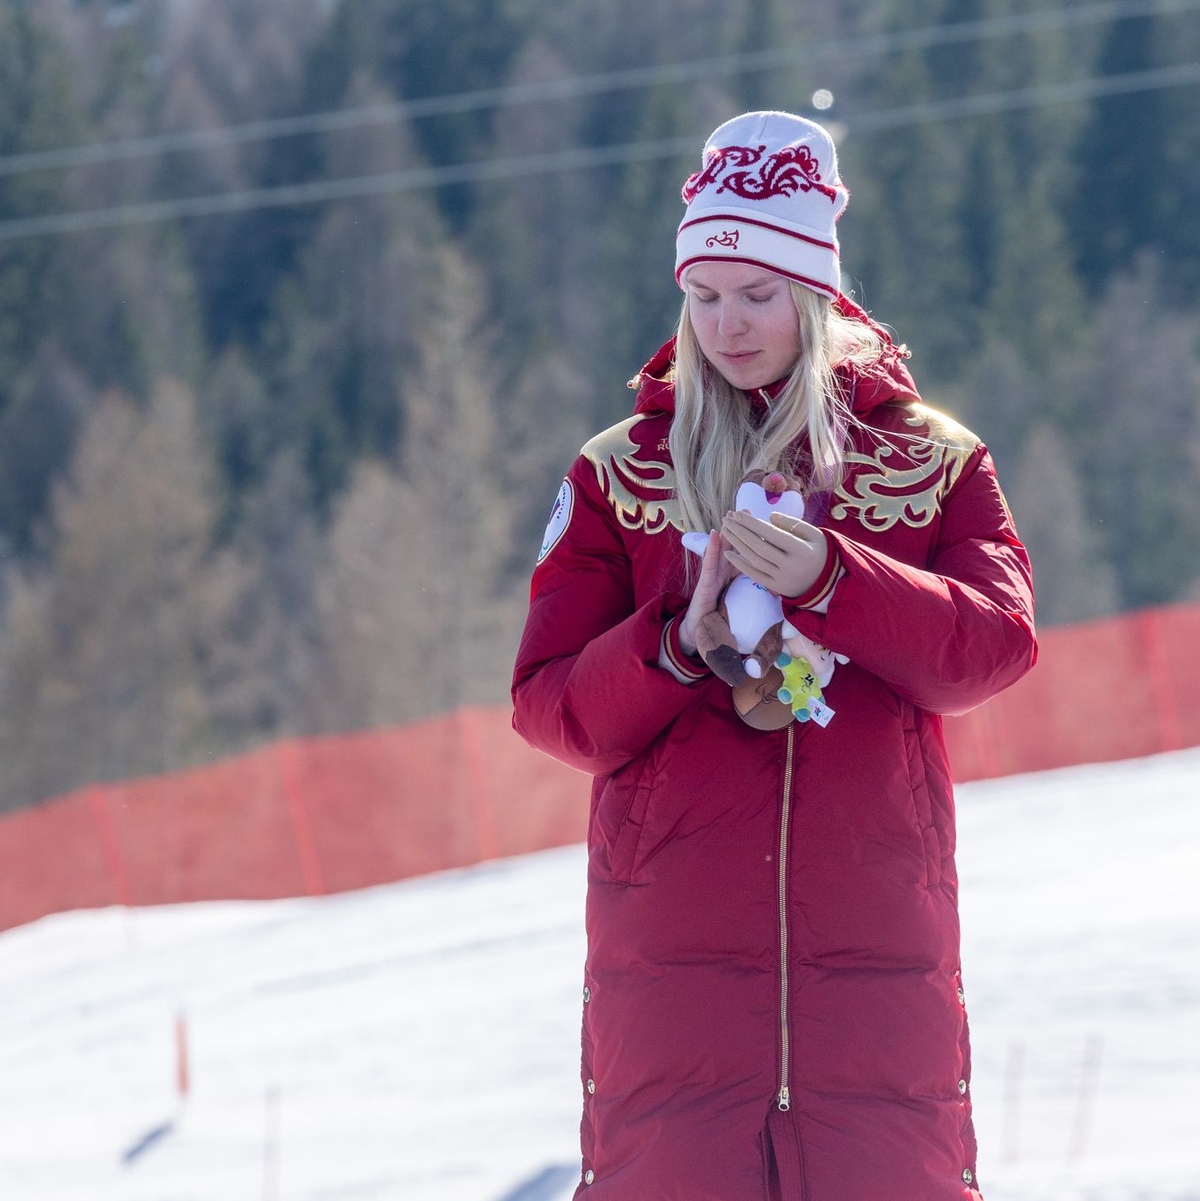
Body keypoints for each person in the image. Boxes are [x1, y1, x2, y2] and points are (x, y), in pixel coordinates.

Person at [511, 110, 1036, 1201]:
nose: (727, 325)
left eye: (757, 296)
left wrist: (834, 579)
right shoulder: (620, 473)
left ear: (816, 292)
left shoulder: (931, 461)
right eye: (703, 296)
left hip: (877, 960)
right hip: (671, 980)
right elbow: (551, 707)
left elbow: (993, 643)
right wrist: (676, 643)